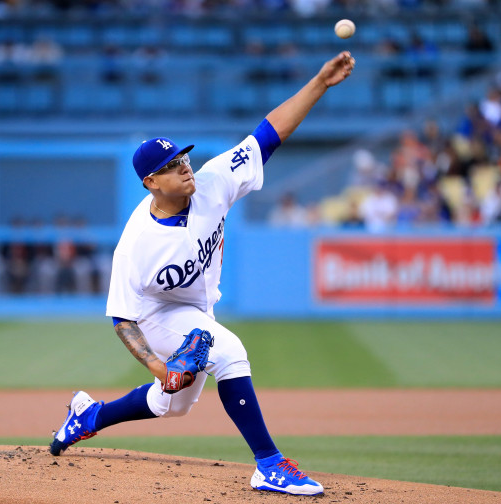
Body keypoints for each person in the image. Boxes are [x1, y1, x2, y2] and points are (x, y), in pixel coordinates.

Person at [49, 51, 356, 496]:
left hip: (196, 305)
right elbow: (122, 319)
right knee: (229, 352)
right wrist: (158, 364)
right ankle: (269, 465)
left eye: (182, 158)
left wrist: (320, 83)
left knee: (171, 405)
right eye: (170, 166)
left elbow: (269, 134)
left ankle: (87, 416)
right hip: (155, 313)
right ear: (150, 183)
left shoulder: (212, 181)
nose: (183, 166)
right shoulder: (137, 244)